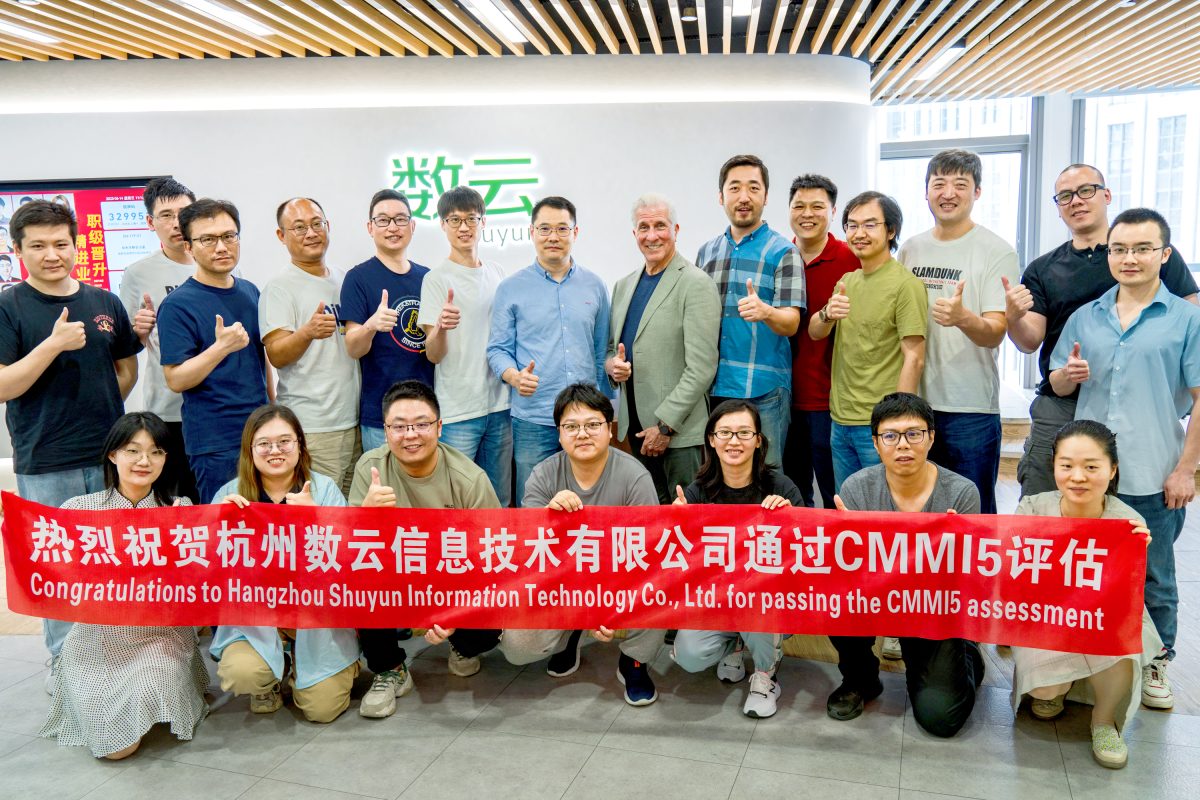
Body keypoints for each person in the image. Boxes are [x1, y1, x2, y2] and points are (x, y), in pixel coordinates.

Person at [1049, 207, 1200, 711]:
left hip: (1152, 469)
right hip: (1086, 476)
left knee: (1153, 575)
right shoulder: (1086, 315)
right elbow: (1057, 382)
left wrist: (1186, 469)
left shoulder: (1186, 319)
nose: (1129, 258)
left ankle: (1157, 662)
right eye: (1119, 249)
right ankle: (1078, 662)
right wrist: (1067, 375)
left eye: (1142, 249)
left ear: (1165, 254)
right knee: (1083, 573)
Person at [0, 200, 140, 666]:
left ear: (76, 245)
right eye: (38, 246)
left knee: (113, 562)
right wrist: (52, 346)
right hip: (45, 460)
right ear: (18, 249)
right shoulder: (8, 306)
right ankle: (66, 665)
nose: (51, 255)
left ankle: (117, 659)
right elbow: (3, 386)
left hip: (110, 457)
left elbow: (125, 371)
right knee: (59, 569)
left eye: (61, 244)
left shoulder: (104, 301)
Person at [1005, 164, 1197, 498]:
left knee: (1134, 503)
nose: (1076, 201)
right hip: (1064, 400)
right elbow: (1029, 340)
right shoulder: (1043, 269)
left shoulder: (1152, 254)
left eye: (1086, 191)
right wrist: (1012, 317)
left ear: (1106, 195)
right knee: (1043, 502)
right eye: (1065, 196)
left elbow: (1187, 321)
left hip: (1137, 400)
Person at [39, 412, 207, 760]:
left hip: (159, 636)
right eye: (133, 450)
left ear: (165, 459)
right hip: (96, 637)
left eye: (156, 451)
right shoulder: (79, 510)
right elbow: (56, 573)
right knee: (113, 746)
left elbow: (198, 580)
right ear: (113, 454)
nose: (144, 461)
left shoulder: (180, 509)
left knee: (139, 709)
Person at [826, 393, 984, 737]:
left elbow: (971, 578)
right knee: (835, 597)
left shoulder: (962, 493)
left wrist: (956, 548)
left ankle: (967, 655)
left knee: (941, 720)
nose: (903, 444)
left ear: (931, 437)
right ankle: (859, 679)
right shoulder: (856, 488)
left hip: (934, 610)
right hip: (876, 598)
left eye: (914, 433)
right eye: (890, 435)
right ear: (876, 443)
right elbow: (846, 572)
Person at [497, 383, 663, 705]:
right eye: (571, 427)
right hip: (561, 583)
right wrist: (549, 517)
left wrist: (608, 603)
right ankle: (570, 633)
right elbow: (528, 553)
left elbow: (649, 552)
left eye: (592, 424)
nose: (582, 434)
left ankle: (634, 660)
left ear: (609, 429)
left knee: (662, 584)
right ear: (559, 434)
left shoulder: (635, 477)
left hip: (621, 581)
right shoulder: (543, 475)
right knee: (517, 647)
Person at [1010, 419, 1159, 770]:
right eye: (1067, 466)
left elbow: (1127, 598)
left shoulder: (1128, 523)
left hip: (1104, 616)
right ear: (1054, 466)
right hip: (1046, 613)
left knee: (1123, 643)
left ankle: (1104, 722)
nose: (1078, 477)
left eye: (1091, 467)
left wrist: (1138, 551)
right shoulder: (1032, 508)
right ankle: (1057, 687)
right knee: (1044, 692)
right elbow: (1007, 568)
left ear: (1112, 470)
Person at [349, 380, 502, 718]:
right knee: (360, 579)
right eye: (399, 426)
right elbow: (352, 551)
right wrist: (365, 515)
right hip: (397, 580)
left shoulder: (470, 479)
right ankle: (390, 668)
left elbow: (493, 561)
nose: (411, 435)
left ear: (439, 427)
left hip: (455, 584)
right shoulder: (371, 469)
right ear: (386, 431)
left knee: (489, 623)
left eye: (421, 424)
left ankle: (463, 646)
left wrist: (453, 613)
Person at [210, 404, 360, 723]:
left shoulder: (325, 490)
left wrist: (315, 521)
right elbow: (209, 574)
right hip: (257, 618)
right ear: (250, 450)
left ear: (300, 445)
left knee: (322, 710)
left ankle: (314, 669)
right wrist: (215, 527)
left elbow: (347, 567)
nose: (275, 451)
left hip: (316, 618)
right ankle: (271, 678)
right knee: (242, 673)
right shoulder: (229, 495)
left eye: (284, 441)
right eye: (264, 443)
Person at [897, 149, 1020, 515]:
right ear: (926, 192)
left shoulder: (996, 251)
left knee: (973, 517)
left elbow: (996, 332)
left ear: (977, 192)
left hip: (971, 409)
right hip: (917, 404)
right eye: (939, 184)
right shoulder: (911, 249)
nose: (948, 193)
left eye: (960, 184)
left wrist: (963, 317)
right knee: (919, 513)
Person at [671, 399, 804, 718]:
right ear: (711, 439)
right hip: (716, 599)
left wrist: (790, 521)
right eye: (725, 433)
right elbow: (683, 565)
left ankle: (765, 675)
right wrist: (676, 526)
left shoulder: (781, 488)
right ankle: (737, 644)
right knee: (689, 655)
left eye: (744, 433)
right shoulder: (697, 492)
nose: (734, 441)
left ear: (758, 440)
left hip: (767, 602)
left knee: (756, 600)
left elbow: (805, 557)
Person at [487, 196, 611, 503]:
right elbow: (497, 350)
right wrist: (514, 376)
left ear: (575, 232)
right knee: (534, 502)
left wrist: (604, 408)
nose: (553, 236)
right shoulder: (510, 288)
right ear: (532, 232)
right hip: (533, 417)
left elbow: (601, 352)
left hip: (585, 419)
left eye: (561, 228)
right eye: (544, 229)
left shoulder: (595, 286)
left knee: (589, 502)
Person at [605, 193, 720, 503]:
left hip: (677, 434)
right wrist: (612, 367)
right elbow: (610, 350)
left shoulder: (695, 283)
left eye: (660, 226)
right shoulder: (623, 286)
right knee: (651, 520)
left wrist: (665, 426)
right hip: (635, 431)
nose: (652, 235)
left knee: (686, 521)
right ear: (634, 234)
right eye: (644, 227)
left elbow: (702, 367)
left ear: (676, 230)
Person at [809, 191, 927, 491]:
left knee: (883, 509)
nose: (859, 233)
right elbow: (815, 331)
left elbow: (914, 357)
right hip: (840, 421)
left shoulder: (906, 285)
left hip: (880, 426)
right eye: (852, 225)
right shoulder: (847, 281)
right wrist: (826, 314)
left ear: (891, 231)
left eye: (870, 225)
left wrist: (898, 424)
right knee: (847, 506)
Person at [696, 155, 805, 469]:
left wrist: (766, 311)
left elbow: (792, 323)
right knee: (719, 479)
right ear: (721, 197)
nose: (744, 197)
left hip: (764, 390)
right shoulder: (707, 252)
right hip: (714, 387)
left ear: (765, 196)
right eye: (734, 188)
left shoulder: (784, 251)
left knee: (767, 477)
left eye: (753, 188)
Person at [158, 198, 270, 502]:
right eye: (208, 239)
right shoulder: (177, 305)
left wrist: (272, 412)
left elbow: (261, 361)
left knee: (268, 522)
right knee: (225, 523)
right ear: (189, 247)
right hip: (215, 441)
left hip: (261, 432)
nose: (221, 247)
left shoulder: (250, 291)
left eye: (229, 236)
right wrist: (220, 348)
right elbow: (176, 379)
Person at [417, 186, 512, 505]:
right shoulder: (436, 279)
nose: (464, 227)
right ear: (442, 225)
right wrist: (441, 328)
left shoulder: (498, 273)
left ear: (483, 222)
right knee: (456, 503)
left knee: (498, 501)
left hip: (500, 406)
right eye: (454, 220)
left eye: (471, 218)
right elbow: (433, 354)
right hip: (458, 411)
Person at [261, 197, 361, 496]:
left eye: (317, 224)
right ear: (281, 235)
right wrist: (306, 332)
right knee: (319, 510)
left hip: (354, 419)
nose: (311, 233)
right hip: (313, 426)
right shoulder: (279, 287)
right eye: (299, 227)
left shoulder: (345, 279)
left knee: (352, 511)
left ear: (328, 226)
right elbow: (276, 355)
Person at [118, 177, 201, 502]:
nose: (177, 222)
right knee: (172, 502)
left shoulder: (219, 263)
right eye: (166, 215)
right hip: (168, 410)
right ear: (151, 222)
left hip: (216, 407)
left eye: (184, 213)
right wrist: (138, 331)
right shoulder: (138, 273)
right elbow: (127, 345)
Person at [783, 174, 858, 509]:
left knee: (837, 496)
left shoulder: (851, 258)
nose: (807, 214)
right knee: (793, 496)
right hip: (783, 398)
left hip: (832, 401)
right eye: (799, 206)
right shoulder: (779, 256)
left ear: (833, 211)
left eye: (817, 206)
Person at [340, 189, 434, 453]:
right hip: (381, 414)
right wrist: (371, 325)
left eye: (400, 219)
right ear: (370, 227)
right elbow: (353, 348)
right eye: (383, 220)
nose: (393, 227)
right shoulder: (357, 278)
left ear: (412, 226)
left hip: (427, 411)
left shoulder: (428, 278)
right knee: (383, 480)